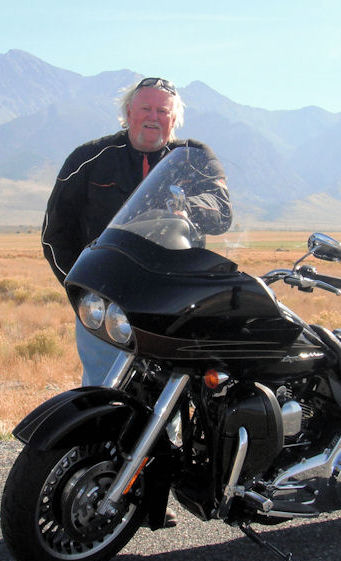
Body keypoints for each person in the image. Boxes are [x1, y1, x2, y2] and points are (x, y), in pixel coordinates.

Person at [41, 77, 232, 386]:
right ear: (128, 112)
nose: (153, 117)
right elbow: (55, 233)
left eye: (163, 111)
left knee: (174, 393)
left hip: (174, 303)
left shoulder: (193, 157)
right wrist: (82, 291)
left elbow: (222, 210)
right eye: (146, 108)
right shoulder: (90, 159)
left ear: (174, 119)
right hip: (107, 305)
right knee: (103, 390)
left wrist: (189, 207)